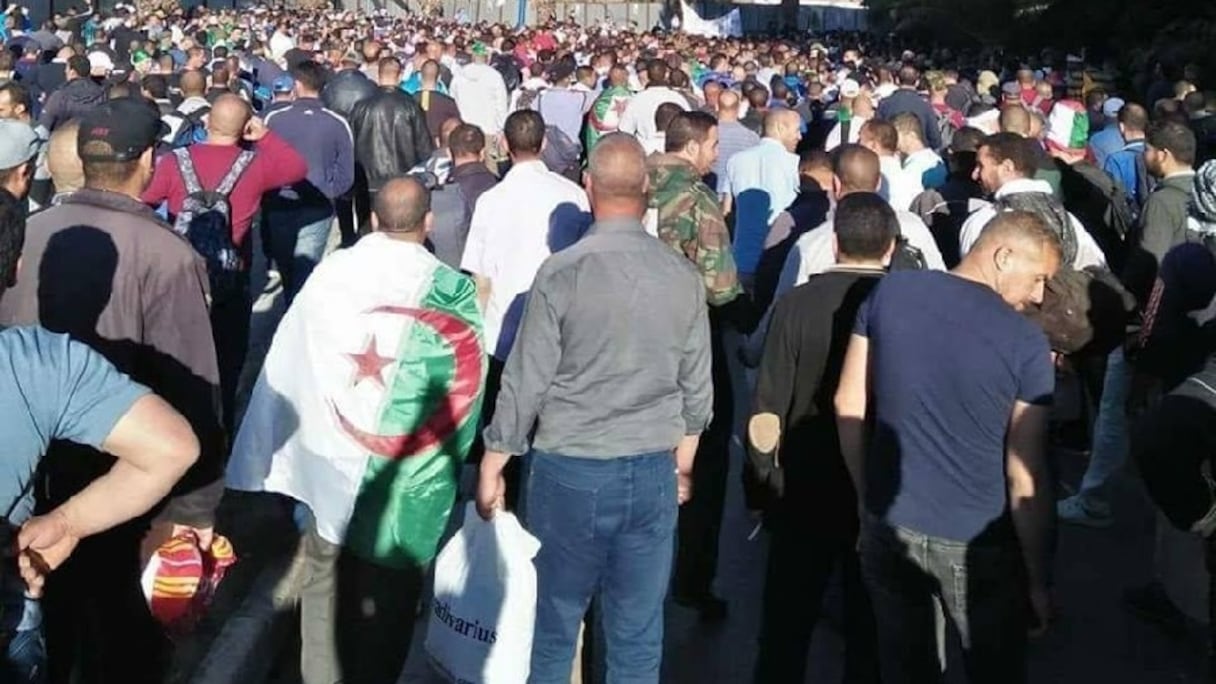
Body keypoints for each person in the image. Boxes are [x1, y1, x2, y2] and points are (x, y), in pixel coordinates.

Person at [0, 97, 224, 684]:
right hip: (120, 481)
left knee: (50, 615)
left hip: (34, 480)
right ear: (149, 161)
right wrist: (194, 511)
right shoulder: (169, 255)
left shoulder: (30, 229)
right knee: (118, 638)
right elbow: (192, 390)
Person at [229, 175, 485, 684]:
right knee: (384, 605)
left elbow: (290, 354)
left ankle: (318, 674)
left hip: (324, 461)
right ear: (428, 223)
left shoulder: (332, 272)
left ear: (371, 219)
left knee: (323, 576)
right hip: (399, 483)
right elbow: (464, 391)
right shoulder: (452, 292)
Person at [476, 133, 712, 684]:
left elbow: (525, 380)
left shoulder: (561, 272)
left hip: (570, 467)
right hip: (652, 464)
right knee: (636, 631)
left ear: (589, 188)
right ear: (648, 189)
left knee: (556, 625)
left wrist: (494, 463)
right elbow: (697, 388)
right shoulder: (681, 276)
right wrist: (684, 462)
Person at [836, 210, 1061, 683]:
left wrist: (862, 498)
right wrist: (1039, 579)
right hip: (979, 542)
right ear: (1003, 257)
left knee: (905, 667)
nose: (1039, 296)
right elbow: (1025, 474)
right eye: (1039, 278)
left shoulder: (891, 291)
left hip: (889, 521)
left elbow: (849, 401)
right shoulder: (1026, 344)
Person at [748, 193, 892, 684]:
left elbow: (768, 406)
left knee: (788, 621)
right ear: (890, 247)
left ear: (834, 244)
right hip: (876, 481)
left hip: (802, 482)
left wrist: (761, 480)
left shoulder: (796, 305)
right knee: (868, 624)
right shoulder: (901, 304)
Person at [141, 94, 308, 431]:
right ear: (246, 126)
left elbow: (145, 200)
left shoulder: (176, 161)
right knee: (228, 362)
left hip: (181, 277)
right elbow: (297, 168)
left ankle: (181, 427)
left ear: (206, 123)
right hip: (232, 278)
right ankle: (223, 431)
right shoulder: (255, 164)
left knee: (178, 359)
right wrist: (264, 136)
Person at [460, 109, 589, 505]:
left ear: (503, 144)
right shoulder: (572, 195)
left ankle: (505, 498)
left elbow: (480, 280)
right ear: (544, 144)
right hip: (559, 335)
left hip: (503, 334)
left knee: (506, 427)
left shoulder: (491, 201)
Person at [648, 110, 745, 619]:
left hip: (632, 343)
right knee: (705, 462)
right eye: (712, 145)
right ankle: (692, 578)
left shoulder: (635, 184)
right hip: (692, 346)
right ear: (693, 146)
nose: (715, 156)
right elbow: (720, 284)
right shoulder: (698, 199)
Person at [264, 61, 356, 303]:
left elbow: (260, 162)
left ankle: (291, 313)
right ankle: (294, 314)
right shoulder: (337, 122)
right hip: (315, 205)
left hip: (282, 203)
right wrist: (328, 191)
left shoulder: (274, 119)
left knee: (289, 267)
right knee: (304, 266)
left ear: (296, 85)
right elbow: (347, 173)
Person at [958, 132, 1107, 269]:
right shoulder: (1069, 221)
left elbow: (972, 284)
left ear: (1007, 167)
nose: (974, 174)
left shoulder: (983, 222)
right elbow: (1097, 269)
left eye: (981, 166)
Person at [723, 107, 801, 286]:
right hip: (777, 259)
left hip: (740, 259)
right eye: (796, 130)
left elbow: (727, 210)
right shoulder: (793, 164)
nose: (800, 136)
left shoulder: (735, 160)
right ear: (781, 128)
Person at [37, 54, 103, 133]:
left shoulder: (60, 95)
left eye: (67, 68)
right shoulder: (101, 94)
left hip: (62, 139)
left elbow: (45, 123)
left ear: (72, 72)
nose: (65, 71)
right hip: (90, 139)